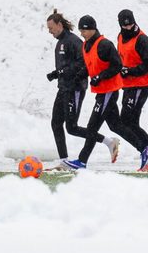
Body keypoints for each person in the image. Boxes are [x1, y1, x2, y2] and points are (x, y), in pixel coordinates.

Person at [65, 15, 146, 170]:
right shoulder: (86, 45)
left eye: (84, 30)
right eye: (81, 30)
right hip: (101, 92)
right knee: (116, 126)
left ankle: (82, 161)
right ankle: (144, 149)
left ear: (92, 29)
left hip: (109, 91)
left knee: (92, 126)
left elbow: (117, 66)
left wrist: (100, 77)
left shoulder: (104, 44)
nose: (82, 33)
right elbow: (90, 66)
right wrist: (77, 77)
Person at [45, 10, 111, 171]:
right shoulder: (60, 42)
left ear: (59, 25)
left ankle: (108, 142)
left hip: (75, 88)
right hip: (63, 88)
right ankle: (64, 161)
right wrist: (57, 73)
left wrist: (63, 72)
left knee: (72, 127)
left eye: (51, 28)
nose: (49, 31)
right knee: (56, 123)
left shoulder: (73, 41)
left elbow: (83, 63)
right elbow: (66, 66)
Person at [116, 9, 148, 172]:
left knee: (127, 121)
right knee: (130, 122)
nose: (128, 28)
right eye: (125, 26)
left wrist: (130, 71)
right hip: (127, 85)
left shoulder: (142, 40)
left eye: (130, 24)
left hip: (140, 85)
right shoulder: (120, 37)